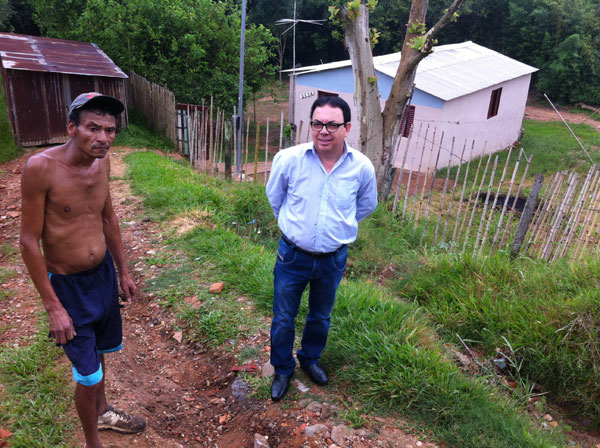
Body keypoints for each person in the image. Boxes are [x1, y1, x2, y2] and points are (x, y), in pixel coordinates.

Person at [20, 92, 146, 447]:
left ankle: (104, 412)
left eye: (110, 130)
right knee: (88, 376)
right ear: (71, 128)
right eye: (93, 128)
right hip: (68, 286)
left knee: (103, 351)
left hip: (102, 277)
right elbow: (28, 241)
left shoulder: (102, 163)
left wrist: (122, 271)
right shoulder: (41, 168)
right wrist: (53, 307)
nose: (103, 138)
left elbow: (108, 218)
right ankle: (93, 442)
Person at [266, 96, 377, 401]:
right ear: (311, 124)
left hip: (332, 259)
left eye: (332, 124)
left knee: (320, 315)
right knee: (284, 316)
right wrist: (294, 226)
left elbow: (366, 206)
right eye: (317, 123)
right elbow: (275, 198)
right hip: (292, 255)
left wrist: (336, 229)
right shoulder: (289, 160)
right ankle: (283, 368)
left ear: (347, 128)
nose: (323, 130)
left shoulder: (361, 168)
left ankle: (310, 358)